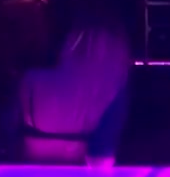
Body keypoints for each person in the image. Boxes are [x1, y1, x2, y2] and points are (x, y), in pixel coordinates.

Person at [12, 23, 131, 167]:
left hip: (32, 167)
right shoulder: (108, 83)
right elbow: (102, 154)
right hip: (78, 168)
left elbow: (10, 129)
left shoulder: (31, 78)